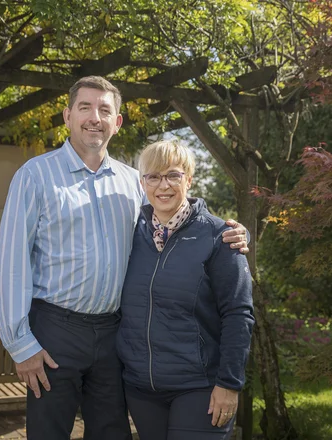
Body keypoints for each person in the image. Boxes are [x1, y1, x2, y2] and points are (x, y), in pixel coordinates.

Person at [0, 76, 249, 440]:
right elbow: (10, 263)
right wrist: (20, 344)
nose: (94, 117)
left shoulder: (134, 181)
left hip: (114, 336)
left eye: (104, 110)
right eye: (84, 108)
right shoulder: (35, 176)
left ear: (118, 122)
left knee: (112, 431)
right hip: (54, 332)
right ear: (67, 116)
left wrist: (234, 235)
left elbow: (176, 216)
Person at [117, 139, 255, 440]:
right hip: (142, 391)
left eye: (173, 175)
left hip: (200, 388)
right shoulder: (130, 234)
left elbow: (238, 314)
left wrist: (229, 384)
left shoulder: (220, 237)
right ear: (143, 183)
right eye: (153, 176)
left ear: (188, 180)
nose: (162, 185)